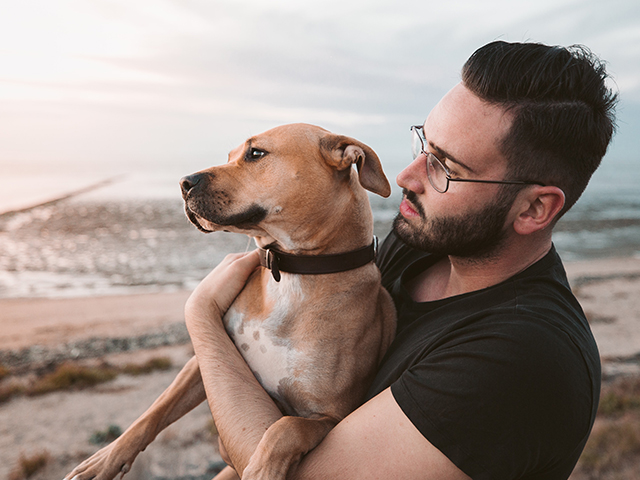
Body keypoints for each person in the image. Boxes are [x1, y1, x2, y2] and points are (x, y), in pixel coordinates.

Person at [185, 41, 617, 479]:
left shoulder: (522, 355)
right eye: (423, 144)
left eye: (446, 168)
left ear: (533, 209)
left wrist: (202, 317)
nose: (407, 176)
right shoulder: (419, 247)